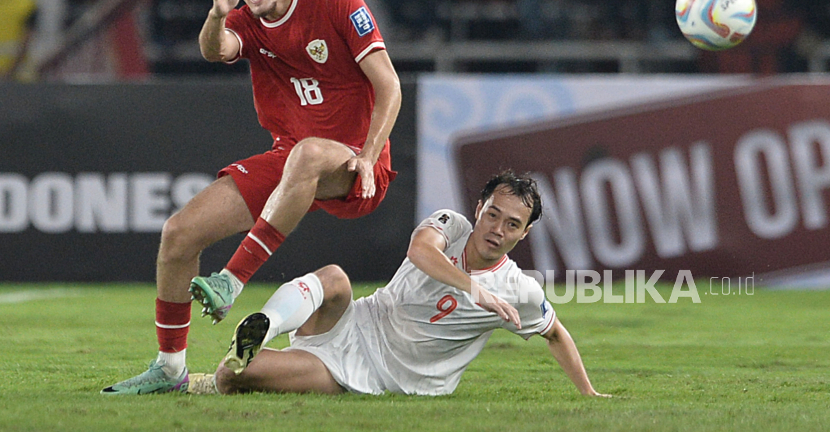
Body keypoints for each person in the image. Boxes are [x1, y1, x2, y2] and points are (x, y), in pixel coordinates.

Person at [102, 0, 401, 394]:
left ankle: (232, 281)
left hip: (356, 167)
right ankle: (169, 369)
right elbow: (215, 50)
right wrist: (218, 13)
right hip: (293, 161)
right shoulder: (246, 20)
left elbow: (389, 84)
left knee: (306, 154)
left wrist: (367, 157)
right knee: (179, 233)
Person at [189, 171, 607, 397]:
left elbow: (555, 333)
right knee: (334, 277)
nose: (497, 228)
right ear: (479, 208)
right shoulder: (452, 225)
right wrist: (472, 288)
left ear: (524, 234)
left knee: (233, 376)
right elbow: (420, 251)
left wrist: (587, 393)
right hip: (359, 320)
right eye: (493, 214)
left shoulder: (519, 290)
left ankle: (229, 369)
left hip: (375, 372)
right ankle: (264, 324)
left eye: (512, 224)